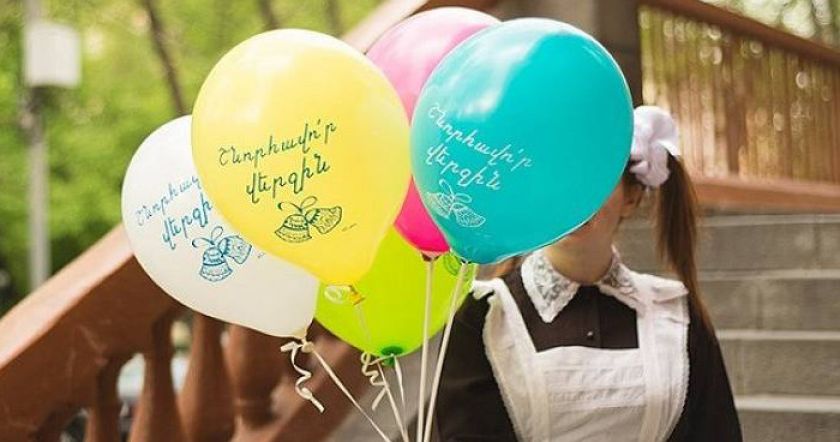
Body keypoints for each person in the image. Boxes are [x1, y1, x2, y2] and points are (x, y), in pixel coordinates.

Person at [435, 106, 742, 441]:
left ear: (632, 196)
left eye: (593, 176)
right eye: (555, 176)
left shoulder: (677, 314)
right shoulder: (485, 315)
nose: (574, 199)